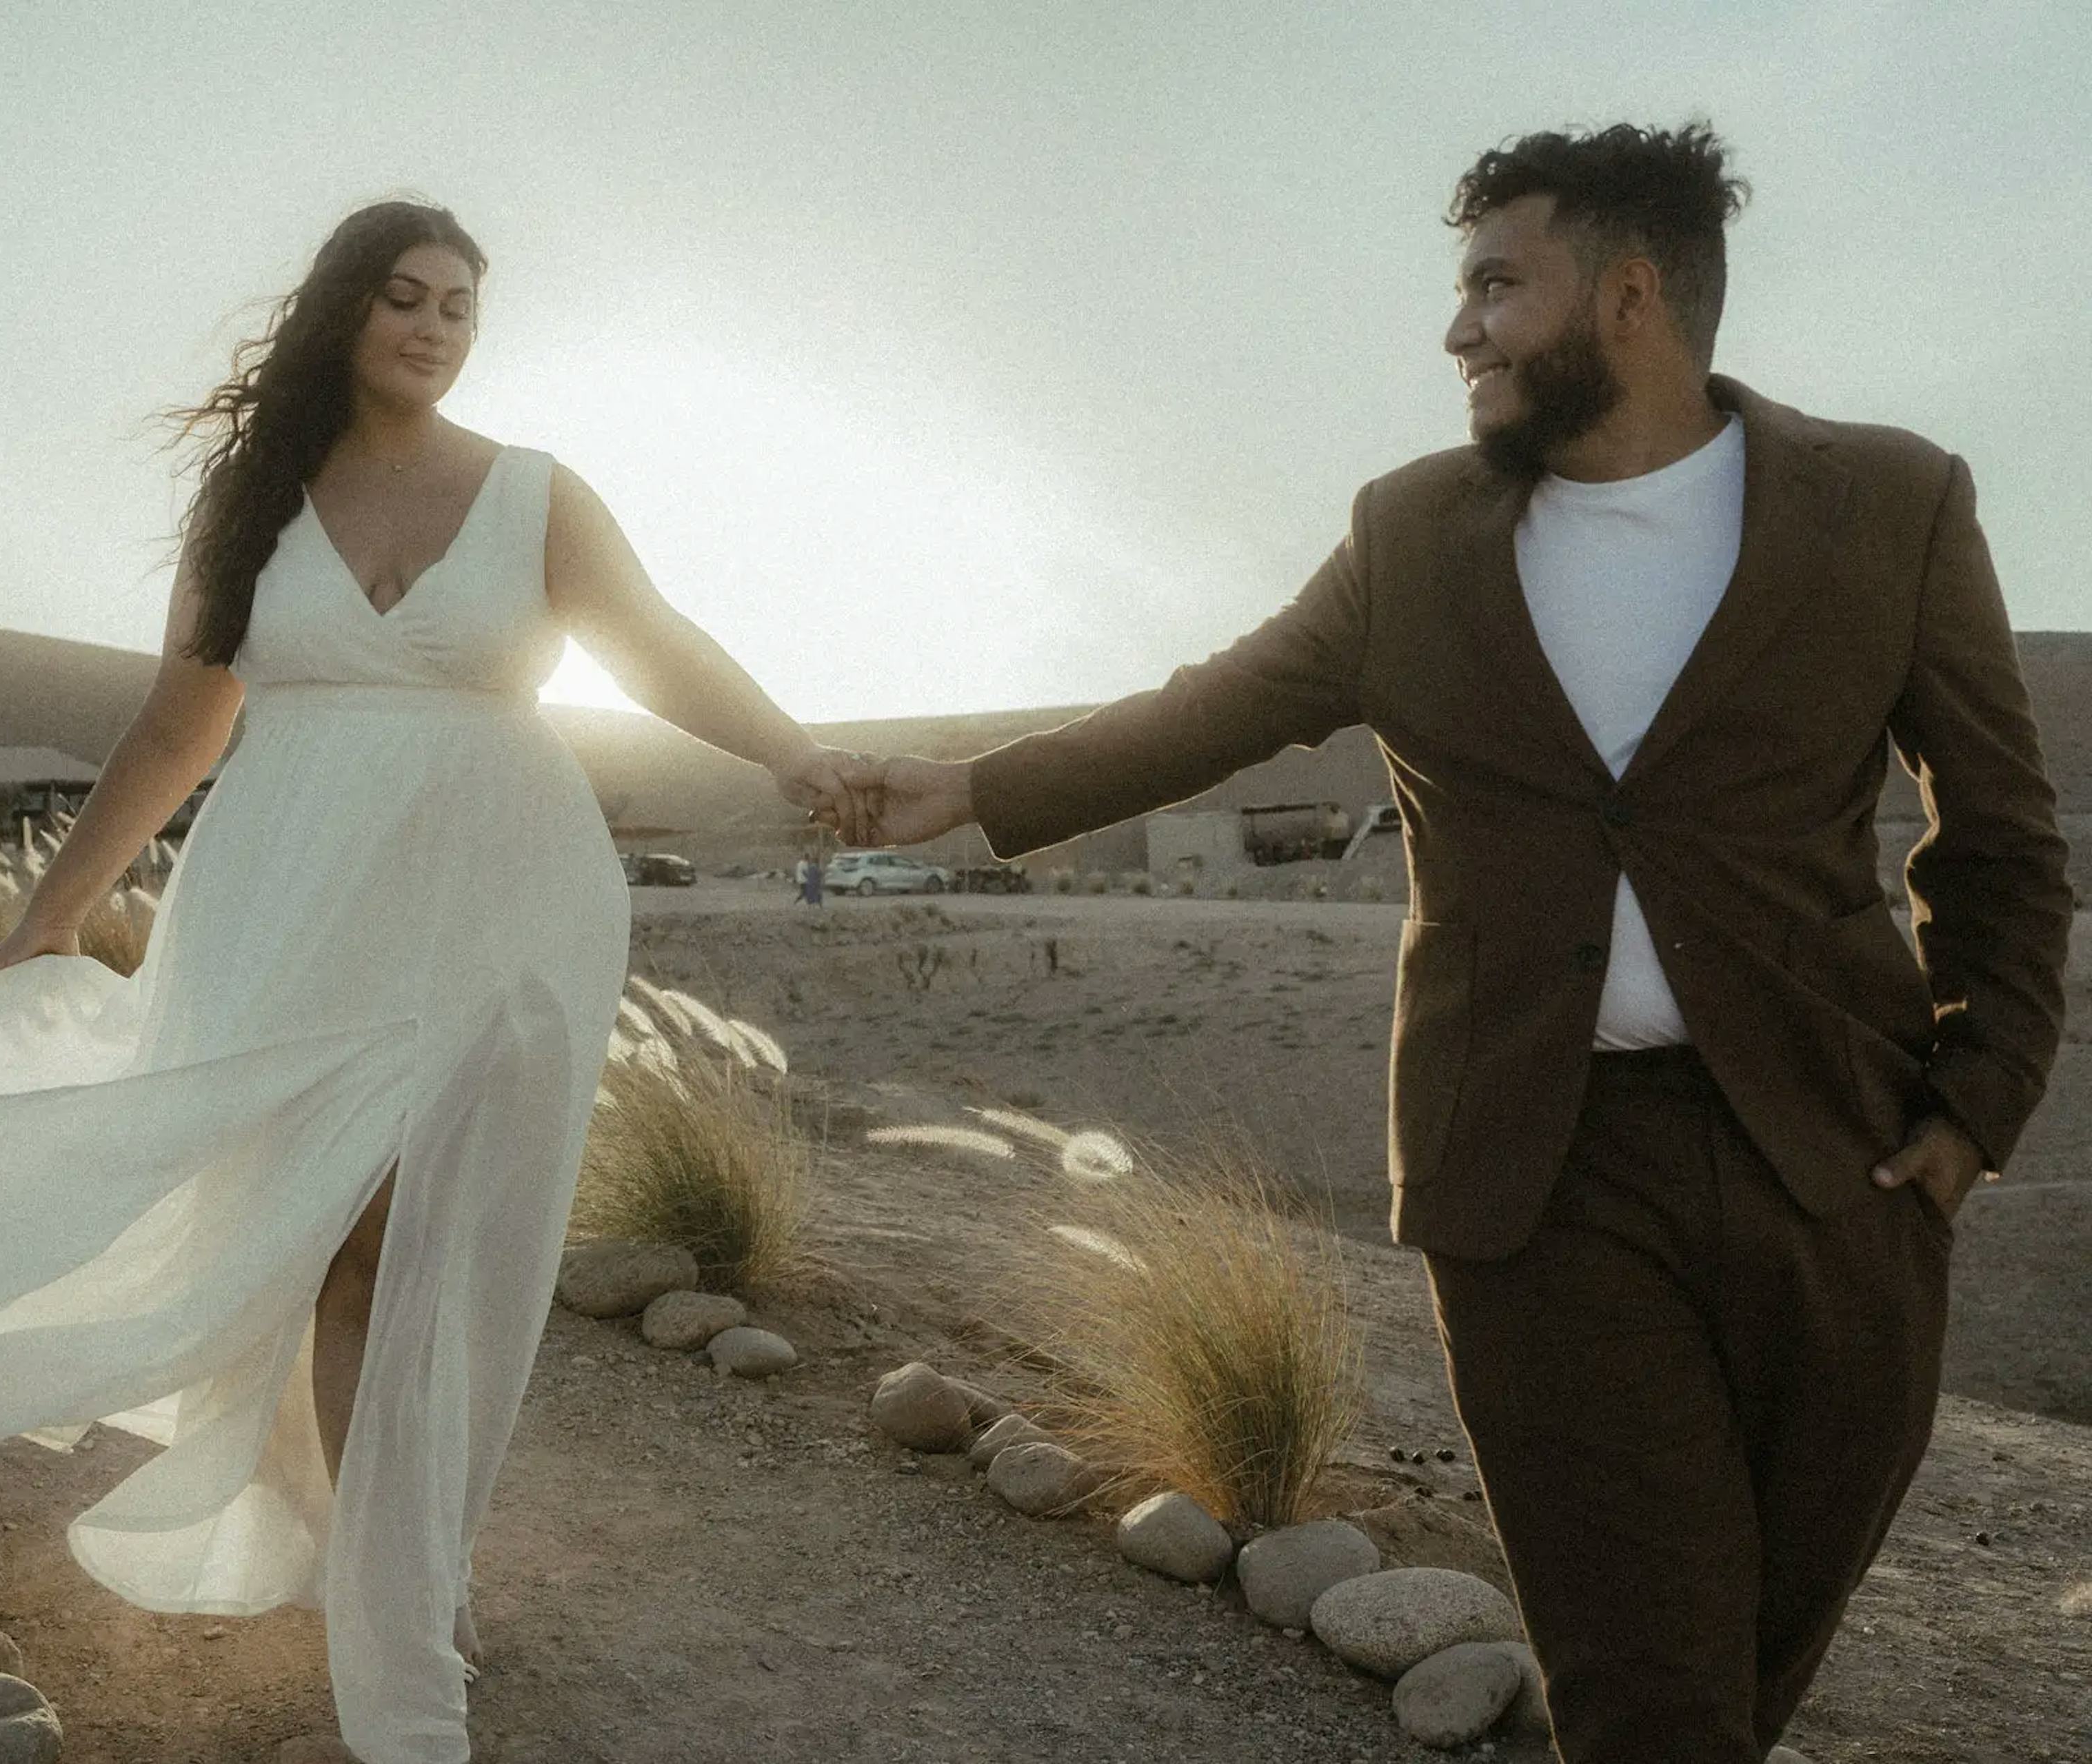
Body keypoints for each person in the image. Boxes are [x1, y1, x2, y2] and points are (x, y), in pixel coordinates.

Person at [0, 198, 863, 1764]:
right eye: (407, 295)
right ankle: (386, 1571)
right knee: (326, 1244)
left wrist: (796, 752)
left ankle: (405, 1594)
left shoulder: (539, 495)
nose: (439, 324)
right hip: (288, 906)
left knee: (441, 1251)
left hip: (503, 902)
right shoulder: (256, 500)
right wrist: (50, 915)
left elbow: (656, 646)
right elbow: (179, 728)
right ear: (344, 309)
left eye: (463, 302)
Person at [844, 123, 2069, 1763]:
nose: (1459, 331)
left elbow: (1997, 829)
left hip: (1836, 1162)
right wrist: (980, 786)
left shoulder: (1890, 505)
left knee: (1756, 1639)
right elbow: (1219, 709)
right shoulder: (1412, 534)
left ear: (1630, 297)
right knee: (1649, 1686)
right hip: (1538, 1174)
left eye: (1499, 285)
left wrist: (1975, 1106)